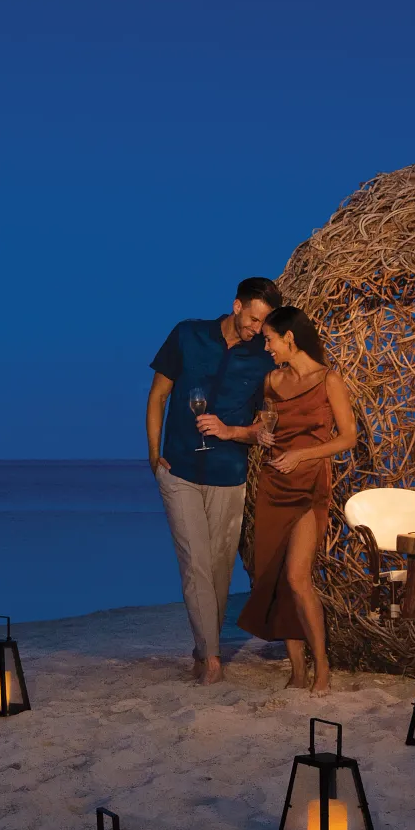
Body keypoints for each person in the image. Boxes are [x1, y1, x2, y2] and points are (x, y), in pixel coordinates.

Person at [147, 277, 282, 684]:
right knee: (196, 565)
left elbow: (265, 424)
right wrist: (154, 457)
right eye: (253, 319)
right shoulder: (187, 334)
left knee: (221, 568)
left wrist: (231, 432)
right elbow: (158, 396)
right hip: (180, 469)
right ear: (237, 305)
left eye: (264, 324)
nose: (256, 330)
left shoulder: (264, 358)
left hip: (229, 473)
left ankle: (202, 646)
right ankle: (211, 659)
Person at [217, 306, 357, 695]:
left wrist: (301, 455)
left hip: (310, 485)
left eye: (270, 339)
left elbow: (348, 437)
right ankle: (297, 670)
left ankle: (322, 666)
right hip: (272, 485)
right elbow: (262, 426)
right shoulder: (272, 380)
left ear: (290, 338)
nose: (267, 346)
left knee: (297, 578)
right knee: (275, 579)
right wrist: (257, 434)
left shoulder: (328, 379)